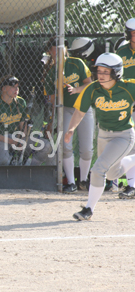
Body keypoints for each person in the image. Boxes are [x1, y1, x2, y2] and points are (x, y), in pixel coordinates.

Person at [66, 53, 135, 221]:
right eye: (99, 71)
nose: (101, 75)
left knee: (97, 170)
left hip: (124, 136)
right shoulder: (92, 88)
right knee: (112, 175)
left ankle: (88, 209)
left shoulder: (129, 87)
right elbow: (80, 111)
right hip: (103, 135)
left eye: (106, 71)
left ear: (116, 73)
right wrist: (70, 130)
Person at [42, 37, 94, 193]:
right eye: (53, 48)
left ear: (65, 49)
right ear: (50, 52)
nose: (57, 50)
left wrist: (76, 90)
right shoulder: (51, 72)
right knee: (66, 146)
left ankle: (83, 180)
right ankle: (71, 182)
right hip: (65, 109)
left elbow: (89, 84)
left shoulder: (76, 63)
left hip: (83, 108)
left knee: (86, 149)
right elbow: (50, 99)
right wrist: (52, 119)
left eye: (60, 47)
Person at [0, 76, 53, 166]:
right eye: (12, 86)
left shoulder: (20, 102)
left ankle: (30, 168)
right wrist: (12, 141)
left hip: (14, 137)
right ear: (3, 88)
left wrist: (22, 140)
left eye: (17, 86)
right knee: (4, 160)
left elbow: (23, 127)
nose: (16, 89)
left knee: (46, 146)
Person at [115, 18, 135, 198]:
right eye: (133, 33)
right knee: (129, 144)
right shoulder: (121, 52)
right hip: (127, 102)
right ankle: (131, 186)